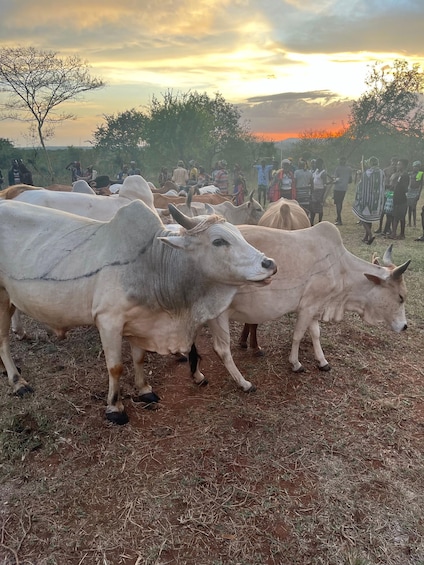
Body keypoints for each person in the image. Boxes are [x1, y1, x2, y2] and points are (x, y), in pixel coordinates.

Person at [352, 156, 385, 244]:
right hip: (376, 201)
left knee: (362, 218)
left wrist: (360, 175)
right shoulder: (381, 172)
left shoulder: (367, 173)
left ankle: (370, 235)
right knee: (368, 219)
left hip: (366, 200)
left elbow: (361, 184)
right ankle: (366, 236)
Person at [376, 155, 398, 234]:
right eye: (393, 163)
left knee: (390, 212)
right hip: (385, 192)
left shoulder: (398, 173)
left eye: (396, 163)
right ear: (391, 162)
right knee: (382, 212)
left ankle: (387, 228)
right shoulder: (385, 170)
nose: (394, 165)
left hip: (392, 193)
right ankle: (380, 227)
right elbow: (382, 181)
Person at [389, 158, 409, 240]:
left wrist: (398, 186)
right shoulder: (399, 174)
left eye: (399, 164)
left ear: (403, 166)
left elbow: (405, 188)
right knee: (398, 216)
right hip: (396, 197)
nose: (397, 166)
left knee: (398, 217)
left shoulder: (404, 175)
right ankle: (399, 233)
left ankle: (396, 234)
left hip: (401, 198)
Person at [332, 157, 353, 225]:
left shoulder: (338, 168)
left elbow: (335, 179)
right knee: (340, 203)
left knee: (338, 203)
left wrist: (337, 180)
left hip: (337, 188)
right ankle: (338, 218)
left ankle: (339, 219)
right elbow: (350, 180)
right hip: (344, 188)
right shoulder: (349, 169)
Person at [310, 158, 329, 225]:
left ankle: (319, 222)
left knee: (319, 208)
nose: (316, 164)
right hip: (314, 191)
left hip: (320, 191)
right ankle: (311, 222)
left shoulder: (323, 173)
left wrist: (322, 196)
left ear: (320, 164)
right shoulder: (316, 171)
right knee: (312, 208)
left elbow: (325, 186)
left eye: (317, 163)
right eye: (315, 163)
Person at [406, 160, 423, 228]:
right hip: (409, 191)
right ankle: (409, 222)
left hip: (415, 191)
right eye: (415, 166)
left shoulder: (420, 174)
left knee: (413, 207)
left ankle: (414, 223)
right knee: (409, 208)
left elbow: (421, 185)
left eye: (417, 167)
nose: (416, 168)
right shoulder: (410, 174)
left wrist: (419, 194)